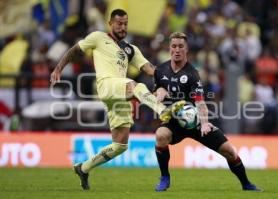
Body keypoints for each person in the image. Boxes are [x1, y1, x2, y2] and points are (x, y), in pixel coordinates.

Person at [50, 9, 185, 190]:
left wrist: (171, 77)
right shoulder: (98, 37)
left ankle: (83, 168)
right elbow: (75, 49)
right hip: (106, 86)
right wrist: (58, 68)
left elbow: (150, 69)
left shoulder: (131, 49)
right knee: (135, 86)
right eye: (119, 24)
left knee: (120, 144)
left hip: (119, 95)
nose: (122, 27)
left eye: (125, 24)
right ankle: (163, 111)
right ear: (110, 24)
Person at [153, 32, 261, 192]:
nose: (177, 50)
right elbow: (156, 91)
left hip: (196, 120)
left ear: (186, 49)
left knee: (229, 151)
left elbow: (200, 101)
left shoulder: (192, 74)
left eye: (180, 46)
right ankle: (165, 177)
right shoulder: (160, 70)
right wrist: (159, 91)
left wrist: (204, 123)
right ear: (169, 48)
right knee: (160, 135)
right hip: (174, 121)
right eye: (174, 46)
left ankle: (246, 184)